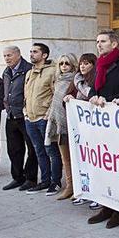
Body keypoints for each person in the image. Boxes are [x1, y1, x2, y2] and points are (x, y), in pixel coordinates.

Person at [87, 30, 119, 228]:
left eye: (103, 41)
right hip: (102, 125)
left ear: (114, 44)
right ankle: (106, 206)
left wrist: (109, 101)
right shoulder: (99, 65)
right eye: (97, 41)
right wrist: (93, 96)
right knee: (104, 166)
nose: (99, 45)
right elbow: (94, 89)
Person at [1, 46, 38, 191]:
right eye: (4, 56)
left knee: (32, 149)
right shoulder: (6, 71)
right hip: (11, 115)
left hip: (25, 115)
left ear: (18, 54)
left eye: (9, 55)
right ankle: (17, 177)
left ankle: (30, 178)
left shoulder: (28, 69)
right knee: (14, 149)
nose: (6, 58)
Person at [23, 42, 59, 195]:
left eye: (35, 52)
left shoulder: (52, 71)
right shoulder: (29, 73)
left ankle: (55, 182)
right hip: (30, 119)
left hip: (44, 119)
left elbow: (56, 94)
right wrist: (25, 111)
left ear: (44, 55)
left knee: (51, 151)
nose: (31, 54)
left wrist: (49, 113)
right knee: (38, 151)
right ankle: (45, 181)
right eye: (31, 51)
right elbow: (26, 94)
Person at [65, 53, 96, 206]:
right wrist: (69, 100)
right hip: (79, 130)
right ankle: (83, 190)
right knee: (81, 161)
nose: (83, 66)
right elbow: (67, 98)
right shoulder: (76, 81)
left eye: (87, 63)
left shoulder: (94, 81)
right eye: (81, 63)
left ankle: (96, 194)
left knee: (94, 163)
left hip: (92, 130)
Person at [47, 53, 77, 199]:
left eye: (67, 64)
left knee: (75, 158)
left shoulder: (76, 80)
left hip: (71, 125)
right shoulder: (58, 81)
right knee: (65, 158)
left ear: (73, 65)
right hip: (58, 124)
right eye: (61, 63)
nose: (64, 66)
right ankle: (69, 186)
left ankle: (77, 187)